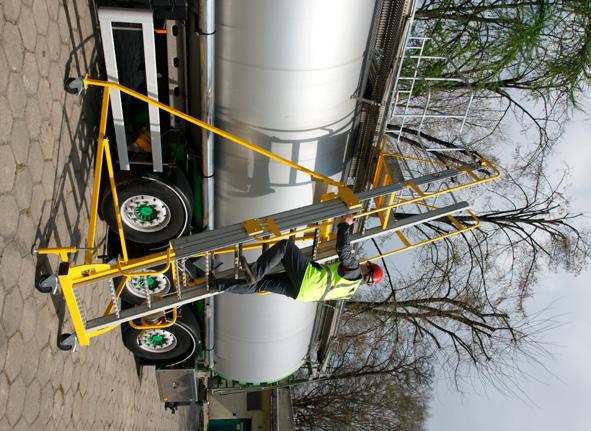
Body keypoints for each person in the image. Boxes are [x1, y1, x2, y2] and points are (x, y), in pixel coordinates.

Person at [213, 214, 383, 301]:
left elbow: (344, 250)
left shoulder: (354, 270)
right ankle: (217, 285)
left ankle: (254, 272)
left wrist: (345, 224)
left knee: (286, 246)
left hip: (307, 279)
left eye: (367, 264)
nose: (364, 264)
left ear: (368, 268)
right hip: (303, 295)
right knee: (261, 285)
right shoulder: (350, 291)